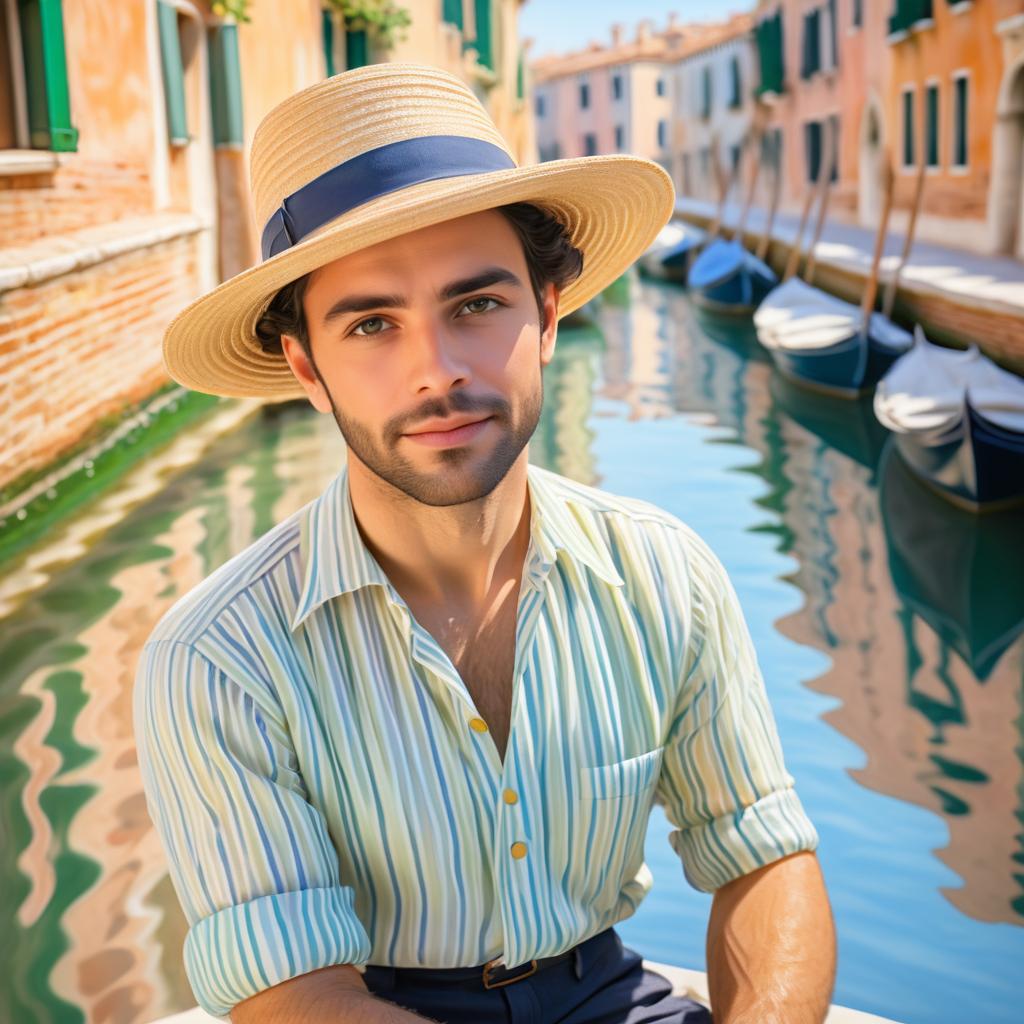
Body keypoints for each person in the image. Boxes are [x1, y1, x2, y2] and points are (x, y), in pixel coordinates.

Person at [135, 63, 836, 1024]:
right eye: (373, 324)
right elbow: (294, 994)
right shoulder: (215, 657)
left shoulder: (665, 571)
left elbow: (764, 857)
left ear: (547, 315)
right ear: (308, 367)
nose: (438, 371)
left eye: (476, 306)